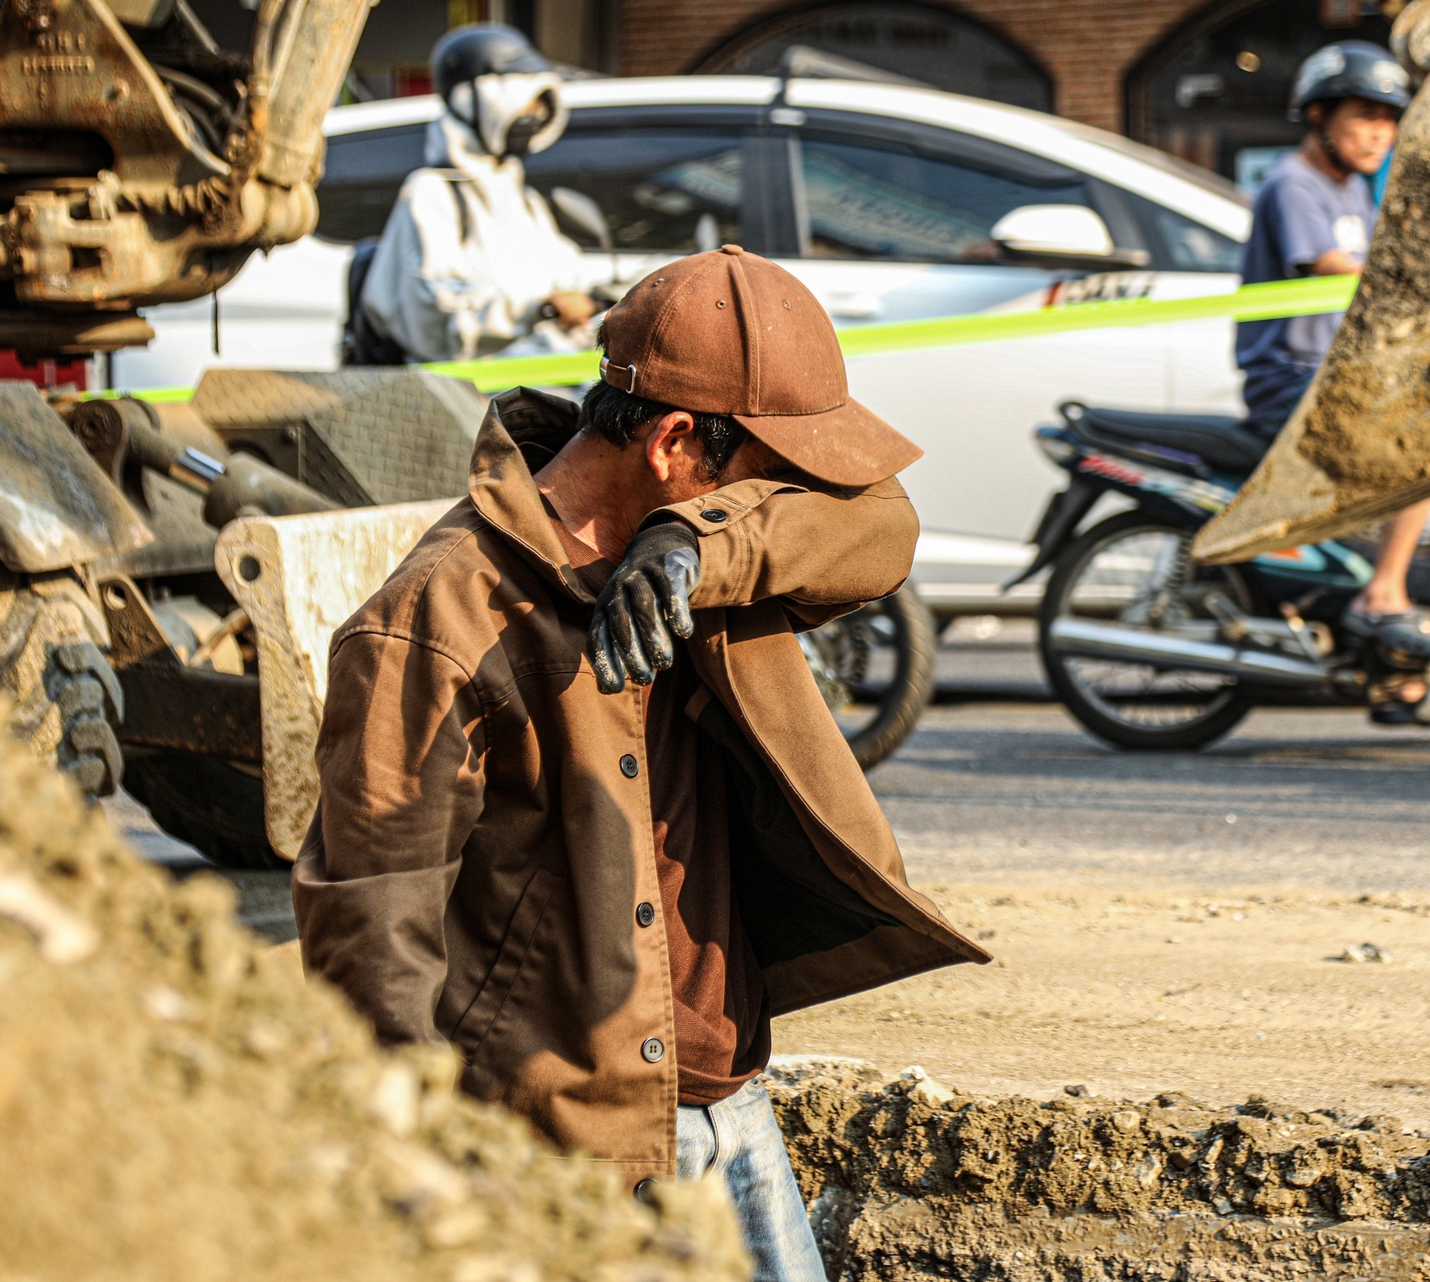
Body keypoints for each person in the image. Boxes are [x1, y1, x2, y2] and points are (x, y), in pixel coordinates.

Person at [296, 245, 988, 1282]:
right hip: (564, 1153)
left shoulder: (709, 561)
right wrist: (419, 1174)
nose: (784, 496)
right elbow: (370, 923)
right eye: (769, 470)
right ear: (672, 439)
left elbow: (878, 523)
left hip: (727, 1109)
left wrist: (697, 543)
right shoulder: (438, 617)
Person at [1234, 40, 1430, 727]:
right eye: (1364, 115)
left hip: (1337, 373)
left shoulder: (1350, 189)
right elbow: (1334, 267)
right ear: (1317, 114)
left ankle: (1396, 678)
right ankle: (1385, 597)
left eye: (1388, 118)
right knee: (1425, 449)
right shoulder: (1293, 184)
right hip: (1292, 377)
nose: (1379, 132)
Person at [358, 24, 597, 363]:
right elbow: (438, 315)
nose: (531, 118)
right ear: (473, 99)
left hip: (539, 381)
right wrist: (537, 310)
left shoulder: (519, 194)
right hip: (470, 398)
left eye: (538, 110)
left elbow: (566, 275)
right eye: (524, 103)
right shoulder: (433, 192)